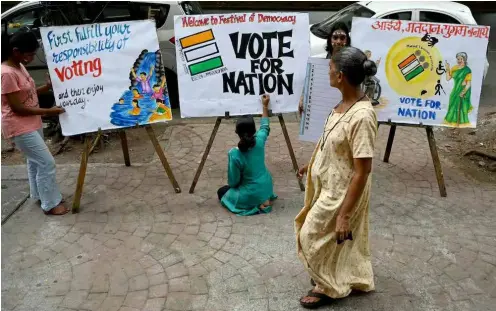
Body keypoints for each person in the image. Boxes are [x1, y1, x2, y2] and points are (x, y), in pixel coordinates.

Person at [295, 47, 378, 308]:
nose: (328, 74)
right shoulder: (342, 105)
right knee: (334, 238)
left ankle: (328, 287)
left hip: (342, 191)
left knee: (310, 234)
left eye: (330, 70)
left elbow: (362, 170)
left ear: (340, 76)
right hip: (327, 183)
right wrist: (312, 164)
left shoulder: (362, 116)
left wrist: (344, 213)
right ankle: (339, 275)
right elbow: (330, 140)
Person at [1, 30, 67, 215]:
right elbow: (17, 108)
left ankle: (39, 195)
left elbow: (26, 94)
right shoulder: (6, 73)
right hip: (18, 125)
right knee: (47, 163)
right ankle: (50, 203)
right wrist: (49, 112)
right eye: (29, 54)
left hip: (31, 122)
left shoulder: (19, 66)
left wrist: (46, 87)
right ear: (16, 51)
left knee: (35, 162)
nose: (31, 58)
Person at [217, 95, 277, 216]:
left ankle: (255, 202)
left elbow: (233, 182)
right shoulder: (259, 140)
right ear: (254, 130)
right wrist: (265, 105)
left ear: (236, 133)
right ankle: (264, 199)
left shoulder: (234, 154)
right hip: (267, 186)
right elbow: (265, 126)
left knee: (221, 192)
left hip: (250, 193)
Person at [299, 22, 351, 114]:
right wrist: (303, 98)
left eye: (342, 38)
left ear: (347, 40)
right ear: (330, 39)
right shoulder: (320, 62)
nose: (338, 41)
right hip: (320, 110)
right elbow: (311, 81)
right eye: (335, 38)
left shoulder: (352, 62)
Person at [444, 52, 472, 126]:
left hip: (462, 91)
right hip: (455, 91)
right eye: (458, 59)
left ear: (464, 59)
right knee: (452, 105)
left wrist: (463, 92)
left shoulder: (467, 70)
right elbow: (448, 78)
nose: (459, 60)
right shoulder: (454, 68)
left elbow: (468, 84)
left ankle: (459, 124)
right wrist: (447, 69)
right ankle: (452, 123)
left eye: (461, 59)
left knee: (460, 108)